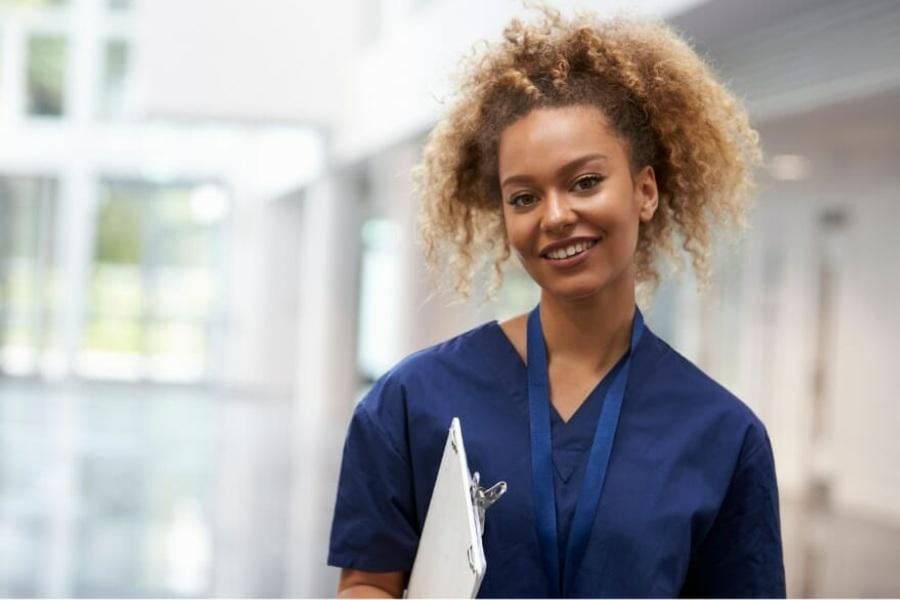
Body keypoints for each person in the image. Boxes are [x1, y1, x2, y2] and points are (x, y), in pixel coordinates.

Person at [328, 7, 786, 599]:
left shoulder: (723, 436)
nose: (556, 215)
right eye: (523, 197)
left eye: (585, 182)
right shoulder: (413, 401)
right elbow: (368, 583)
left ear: (645, 190)